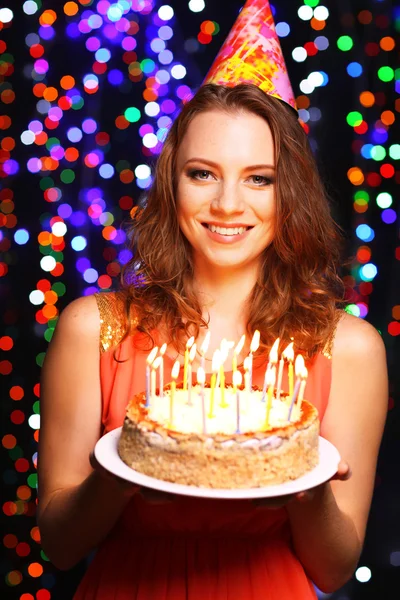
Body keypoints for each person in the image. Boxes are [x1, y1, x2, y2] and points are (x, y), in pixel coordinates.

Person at [37, 2, 388, 598]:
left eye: (260, 178)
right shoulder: (92, 328)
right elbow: (62, 544)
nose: (228, 204)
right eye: (203, 173)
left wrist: (307, 483)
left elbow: (334, 567)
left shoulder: (349, 348)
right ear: (172, 182)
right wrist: (132, 461)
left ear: (291, 192)